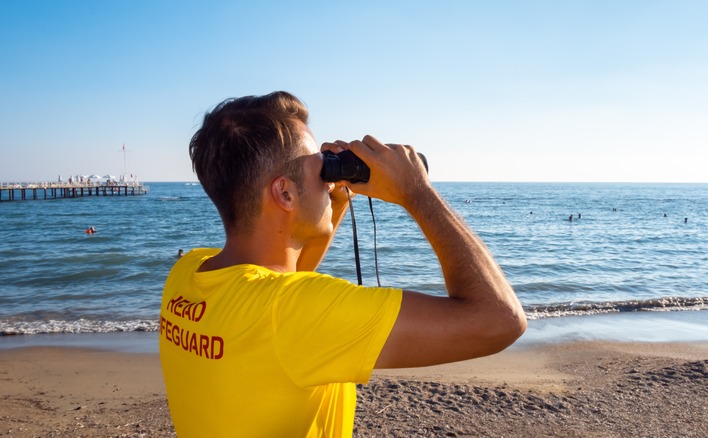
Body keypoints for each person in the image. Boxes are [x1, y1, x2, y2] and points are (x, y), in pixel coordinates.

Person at [159, 91, 526, 437]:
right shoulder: (293, 313)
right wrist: (417, 192)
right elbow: (499, 320)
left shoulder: (189, 271)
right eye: (321, 170)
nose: (329, 181)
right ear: (285, 193)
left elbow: (284, 280)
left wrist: (334, 201)